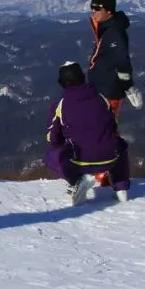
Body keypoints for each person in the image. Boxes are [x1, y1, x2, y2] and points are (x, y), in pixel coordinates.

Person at [46, 60, 130, 204]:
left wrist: (63, 146)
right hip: (110, 158)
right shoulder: (102, 97)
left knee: (51, 156)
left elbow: (53, 137)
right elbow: (112, 126)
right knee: (121, 145)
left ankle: (77, 180)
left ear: (63, 82)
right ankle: (121, 188)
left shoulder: (61, 104)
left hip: (79, 160)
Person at [86, 0, 141, 114]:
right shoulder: (106, 29)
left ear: (109, 11)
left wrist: (128, 87)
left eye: (98, 9)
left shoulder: (115, 33)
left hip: (109, 91)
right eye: (92, 9)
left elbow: (122, 63)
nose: (94, 12)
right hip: (100, 88)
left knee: (107, 127)